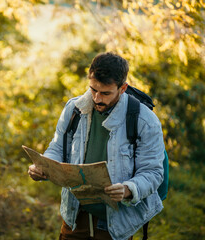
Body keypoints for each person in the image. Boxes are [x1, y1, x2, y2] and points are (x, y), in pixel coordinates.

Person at [28, 52, 165, 240]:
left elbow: (153, 172)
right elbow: (58, 147)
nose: (97, 98)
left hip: (116, 223)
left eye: (105, 93)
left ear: (123, 88)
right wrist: (44, 166)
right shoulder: (74, 108)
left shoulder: (144, 120)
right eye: (93, 90)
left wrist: (128, 189)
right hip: (75, 216)